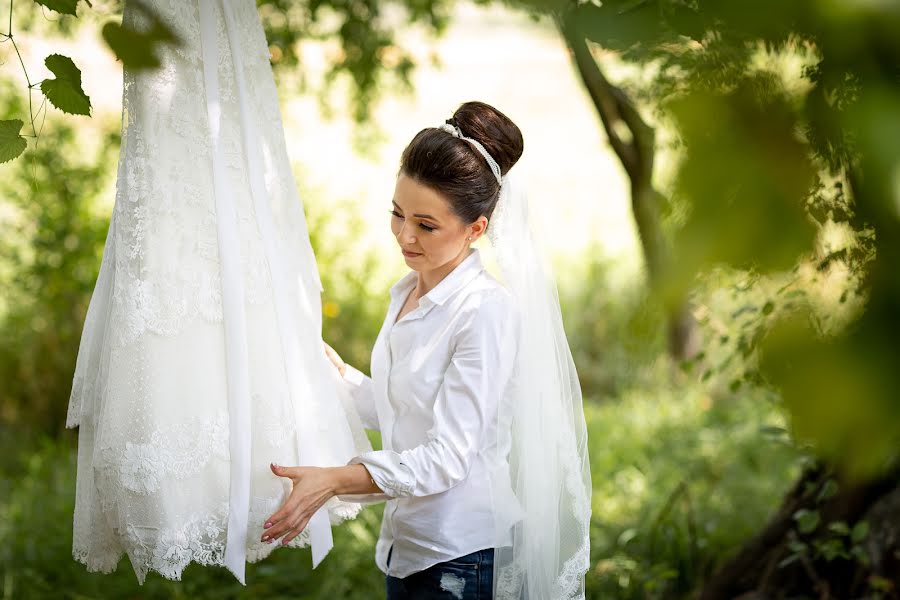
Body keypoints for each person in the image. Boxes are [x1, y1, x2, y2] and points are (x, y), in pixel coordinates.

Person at [263, 101, 591, 599]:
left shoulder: (484, 313)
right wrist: (337, 376)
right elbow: (406, 412)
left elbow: (445, 459)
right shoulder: (407, 293)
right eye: (397, 214)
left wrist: (335, 479)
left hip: (461, 557)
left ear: (476, 228)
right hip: (410, 546)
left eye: (426, 225)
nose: (404, 235)